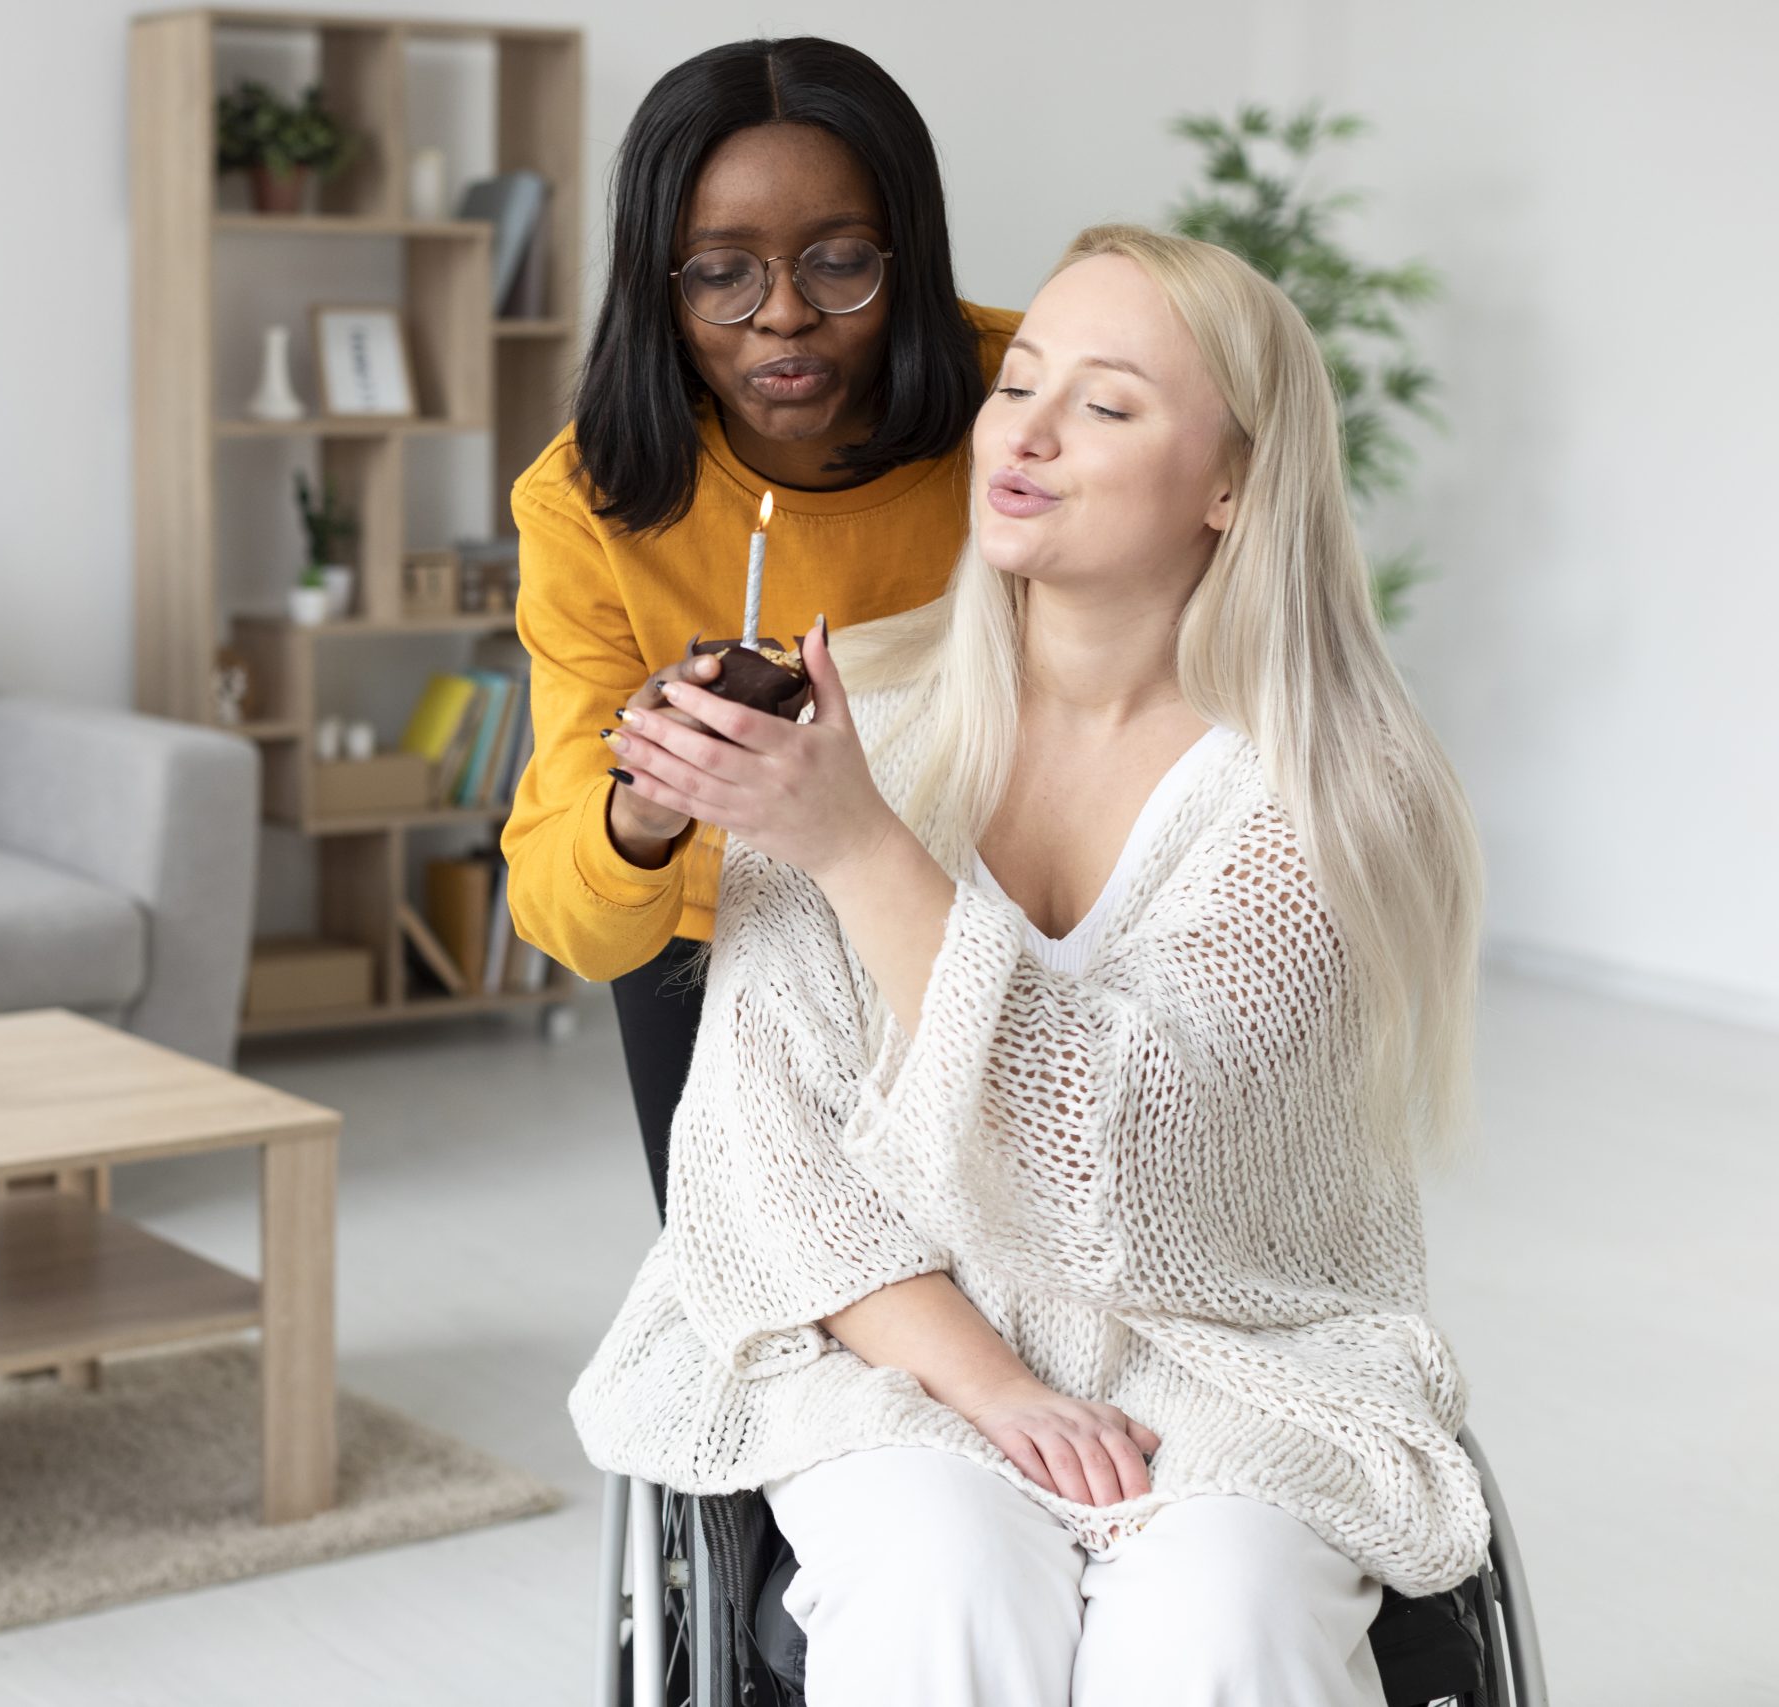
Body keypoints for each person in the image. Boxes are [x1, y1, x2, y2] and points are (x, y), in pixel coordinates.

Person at [568, 224, 1492, 1704]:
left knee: (1220, 1618)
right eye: (1024, 386)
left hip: (1230, 1348)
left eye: (1107, 406)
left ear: (1231, 483)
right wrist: (990, 1386)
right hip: (883, 1341)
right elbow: (766, 1159)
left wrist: (864, 849)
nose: (1030, 432)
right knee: (942, 1576)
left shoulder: (1333, 794)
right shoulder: (858, 710)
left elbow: (1137, 1164)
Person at [499, 37, 1019, 1221]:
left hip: (990, 913)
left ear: (909, 253)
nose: (783, 316)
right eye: (720, 274)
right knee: (753, 1313)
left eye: (840, 262)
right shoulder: (585, 500)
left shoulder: (1020, 399)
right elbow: (568, 915)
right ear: (657, 283)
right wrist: (644, 805)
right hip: (715, 949)